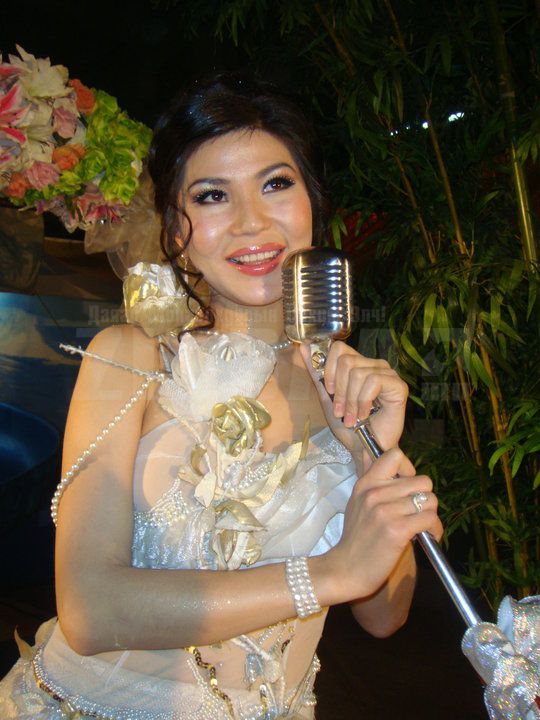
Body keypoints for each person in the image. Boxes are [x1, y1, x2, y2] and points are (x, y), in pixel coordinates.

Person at [0, 73, 442, 720]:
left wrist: (368, 453)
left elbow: (384, 614)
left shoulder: (346, 383)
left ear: (312, 202)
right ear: (175, 229)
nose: (252, 222)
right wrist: (329, 575)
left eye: (276, 184)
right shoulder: (130, 357)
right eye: (212, 196)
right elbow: (90, 611)